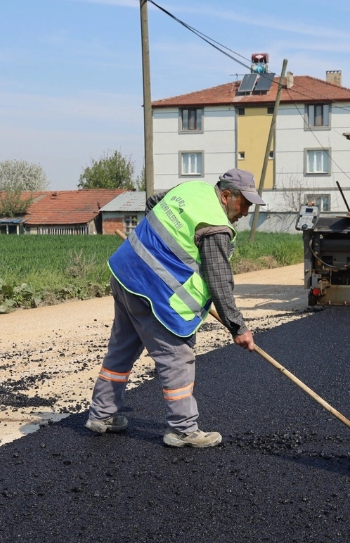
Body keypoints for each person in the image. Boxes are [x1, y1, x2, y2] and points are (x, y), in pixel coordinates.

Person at [85, 168, 265, 448]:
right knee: (177, 358)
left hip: (125, 273)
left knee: (122, 348)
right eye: (244, 204)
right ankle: (182, 429)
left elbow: (153, 203)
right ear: (227, 195)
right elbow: (219, 282)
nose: (245, 212)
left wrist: (160, 251)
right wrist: (238, 327)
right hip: (154, 295)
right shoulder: (215, 226)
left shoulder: (192, 190)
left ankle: (102, 414)